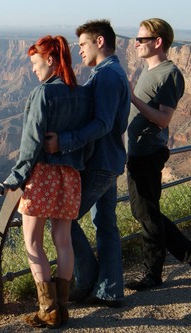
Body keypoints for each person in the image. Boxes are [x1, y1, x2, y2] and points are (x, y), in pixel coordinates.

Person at [0, 35, 92, 328]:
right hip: (71, 176)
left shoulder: (43, 94)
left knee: (32, 242)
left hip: (42, 175)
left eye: (36, 64)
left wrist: (17, 176)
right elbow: (88, 138)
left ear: (50, 60)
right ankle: (63, 308)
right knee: (63, 242)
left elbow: (31, 141)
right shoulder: (82, 93)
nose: (33, 70)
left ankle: (47, 310)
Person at [43, 19, 130, 308]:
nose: (79, 51)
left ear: (100, 42)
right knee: (106, 225)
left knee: (60, 219)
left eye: (82, 44)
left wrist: (65, 141)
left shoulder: (106, 76)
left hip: (99, 164)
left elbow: (103, 123)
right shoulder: (114, 72)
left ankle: (86, 279)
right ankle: (110, 290)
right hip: (112, 160)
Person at [125, 18, 191, 291]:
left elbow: (163, 119)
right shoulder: (151, 72)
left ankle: (153, 274)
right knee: (146, 212)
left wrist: (133, 98)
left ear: (157, 41)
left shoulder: (169, 74)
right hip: (139, 151)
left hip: (149, 152)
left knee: (147, 214)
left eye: (141, 39)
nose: (135, 43)